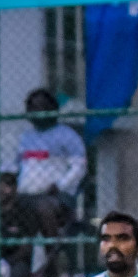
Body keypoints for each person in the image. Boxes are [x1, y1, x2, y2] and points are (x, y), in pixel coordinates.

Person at [6, 88, 86, 216]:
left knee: (45, 208)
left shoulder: (66, 134)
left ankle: (53, 237)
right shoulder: (26, 137)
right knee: (3, 212)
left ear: (52, 108)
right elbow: (14, 166)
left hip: (58, 195)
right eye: (32, 107)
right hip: (26, 194)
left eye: (40, 106)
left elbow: (79, 167)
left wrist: (60, 185)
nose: (36, 111)